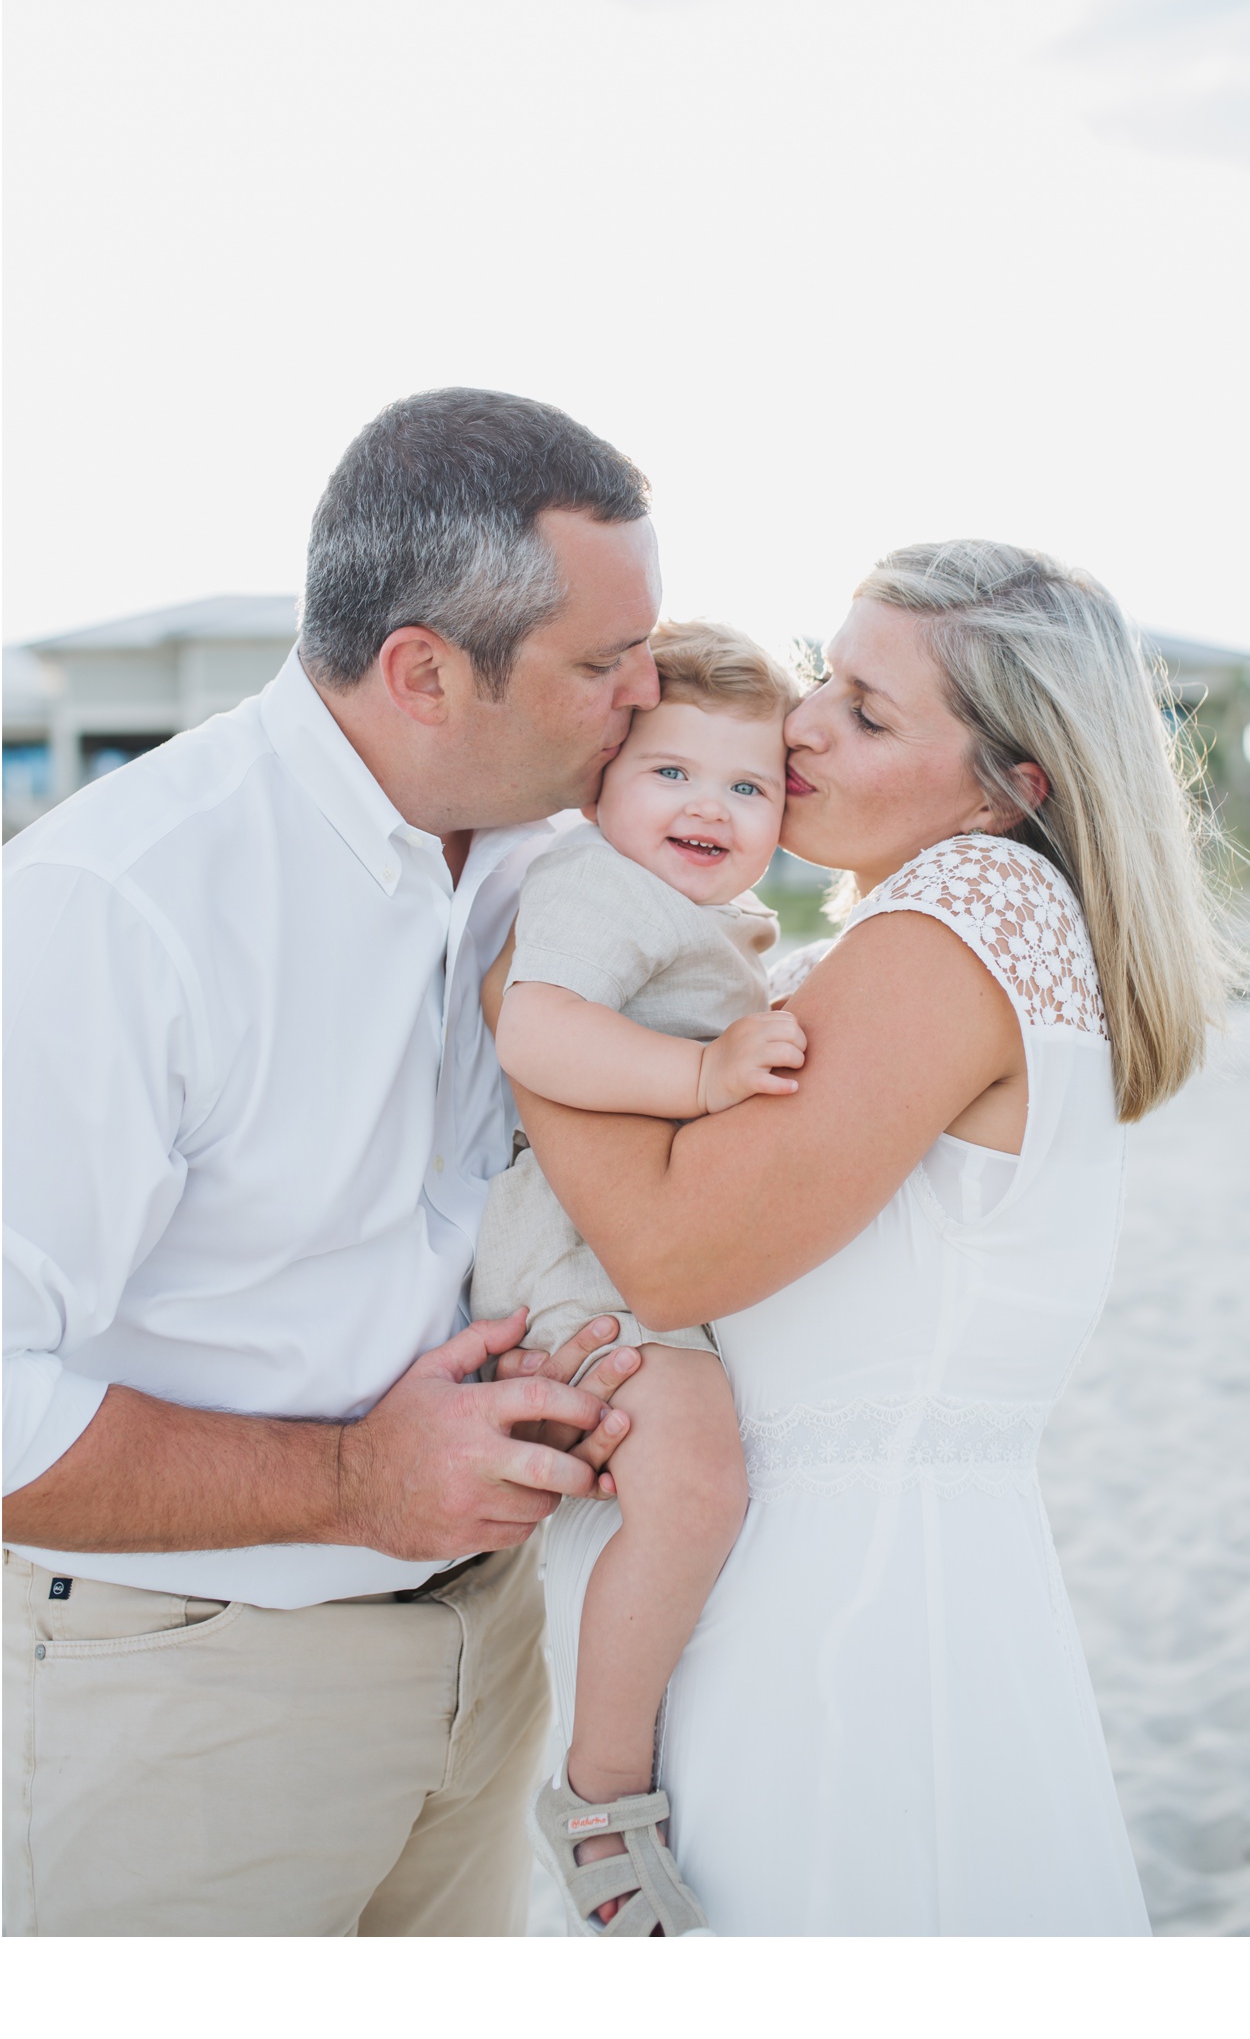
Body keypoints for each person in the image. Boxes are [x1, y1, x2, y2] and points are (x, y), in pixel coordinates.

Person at [491, 540, 1245, 1935]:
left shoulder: (966, 913)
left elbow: (670, 1255)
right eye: (827, 678)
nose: (803, 728)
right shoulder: (903, 940)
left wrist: (521, 1011)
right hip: (887, 1595)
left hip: (840, 1632)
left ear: (1017, 785)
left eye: (870, 714)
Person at [2, 387, 668, 1937]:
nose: (650, 695)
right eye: (602, 663)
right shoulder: (119, 908)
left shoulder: (559, 864)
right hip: (187, 1697)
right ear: (426, 672)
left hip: (488, 1665)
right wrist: (353, 1483)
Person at [470, 621, 804, 1935]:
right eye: (670, 772)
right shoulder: (596, 887)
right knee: (699, 1480)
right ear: (598, 782)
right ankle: (602, 1790)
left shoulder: (670, 907)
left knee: (696, 1479)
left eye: (749, 784)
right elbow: (538, 1027)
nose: (709, 806)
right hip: (573, 1248)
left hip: (615, 1244)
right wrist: (704, 1074)